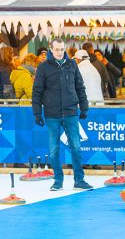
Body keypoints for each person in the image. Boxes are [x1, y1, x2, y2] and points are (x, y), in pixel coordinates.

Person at [32, 38, 93, 191]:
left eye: (62, 49)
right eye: (57, 49)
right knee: (54, 150)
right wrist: (37, 113)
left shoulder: (72, 64)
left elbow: (80, 86)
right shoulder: (43, 67)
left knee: (76, 147)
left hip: (71, 112)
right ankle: (58, 180)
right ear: (51, 50)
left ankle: (79, 179)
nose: (59, 52)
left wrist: (84, 107)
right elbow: (37, 91)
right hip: (52, 115)